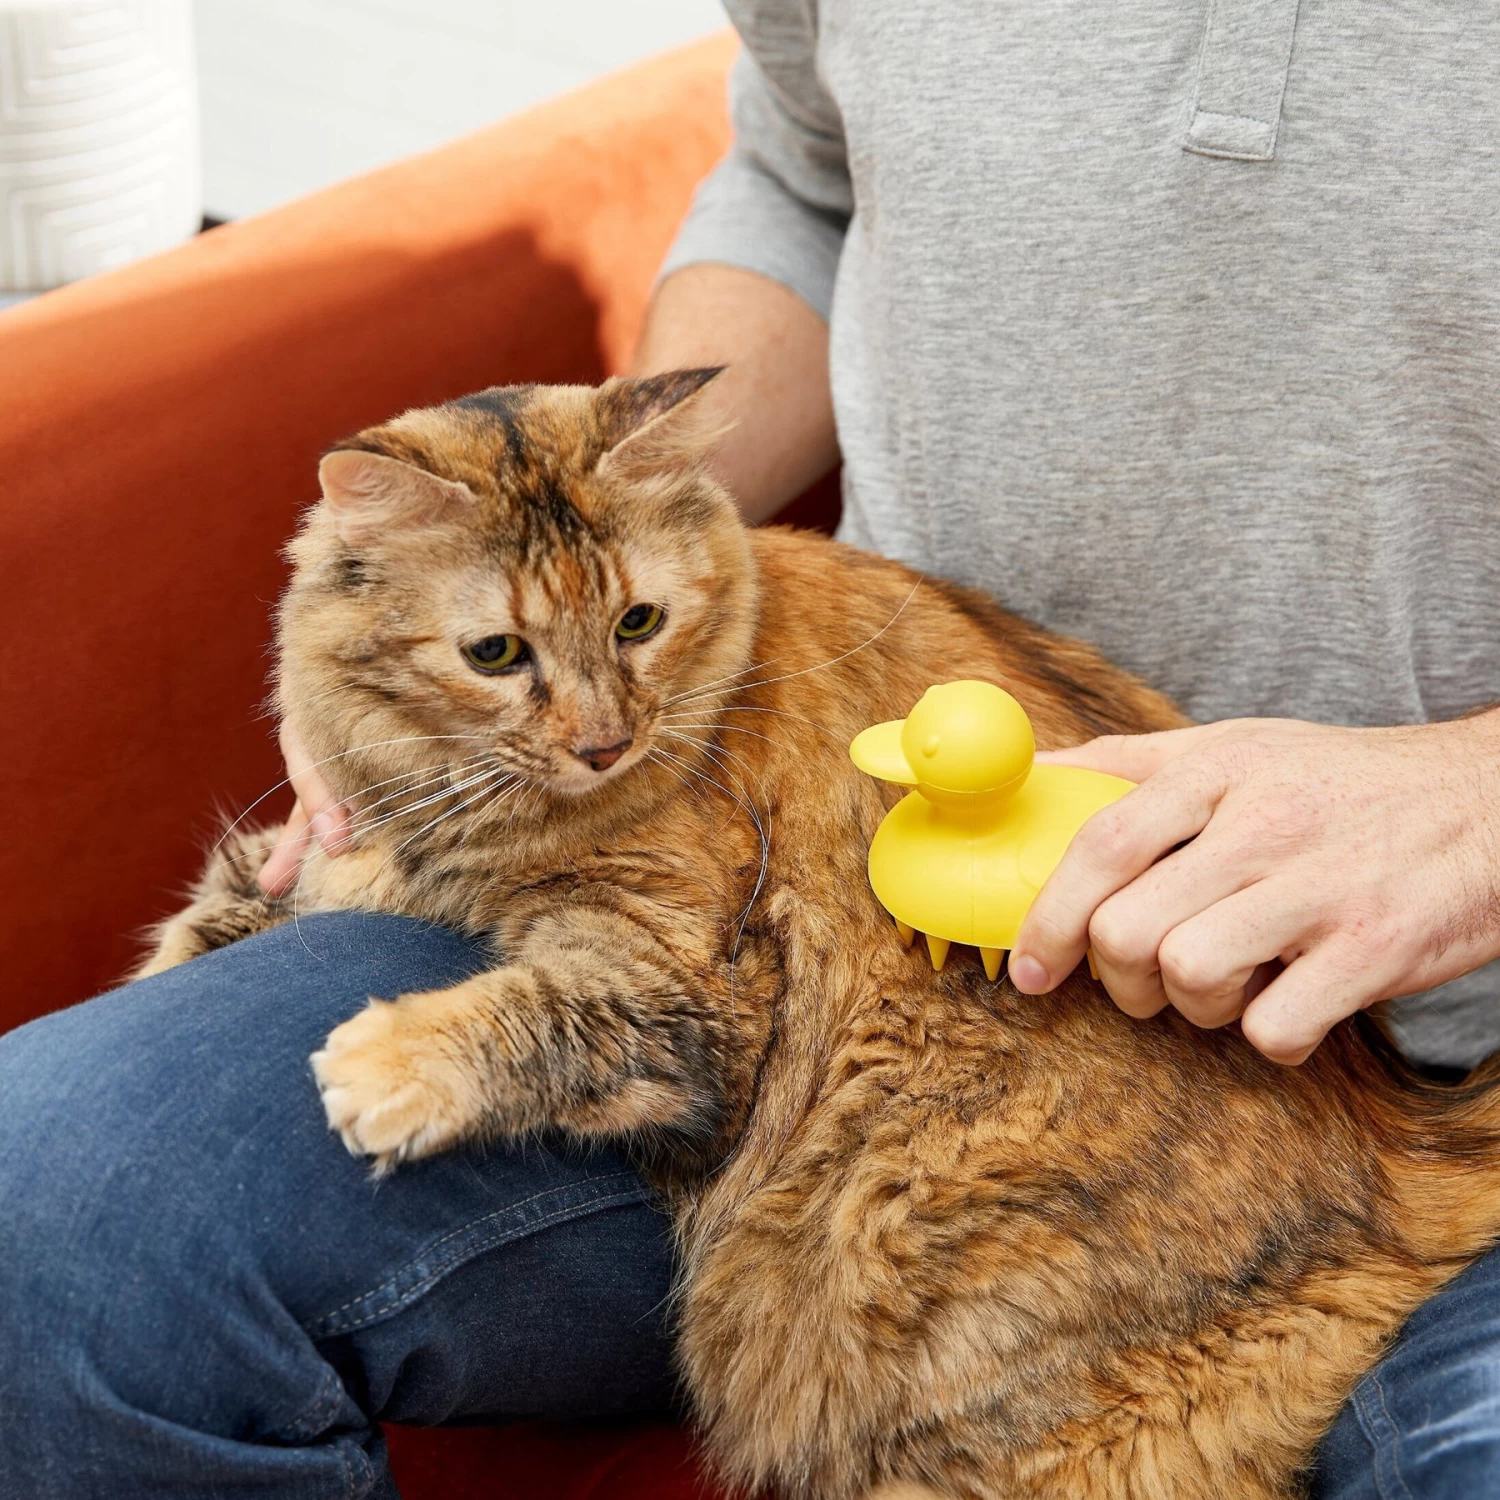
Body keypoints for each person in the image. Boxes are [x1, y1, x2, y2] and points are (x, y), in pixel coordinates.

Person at [4, 4, 1499, 1496]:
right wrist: (528, 596)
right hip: (834, 955)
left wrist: (1471, 805)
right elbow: (804, 166)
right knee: (49, 1215)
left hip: (1436, 1072)